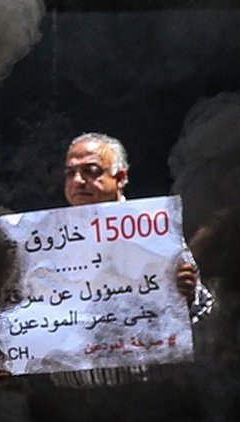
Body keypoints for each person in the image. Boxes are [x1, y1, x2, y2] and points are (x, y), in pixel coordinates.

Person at [63, 133, 212, 322]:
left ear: (120, 177)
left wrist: (188, 295)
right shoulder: (47, 240)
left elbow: (202, 307)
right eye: (70, 173)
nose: (77, 181)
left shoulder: (153, 228)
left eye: (91, 171)